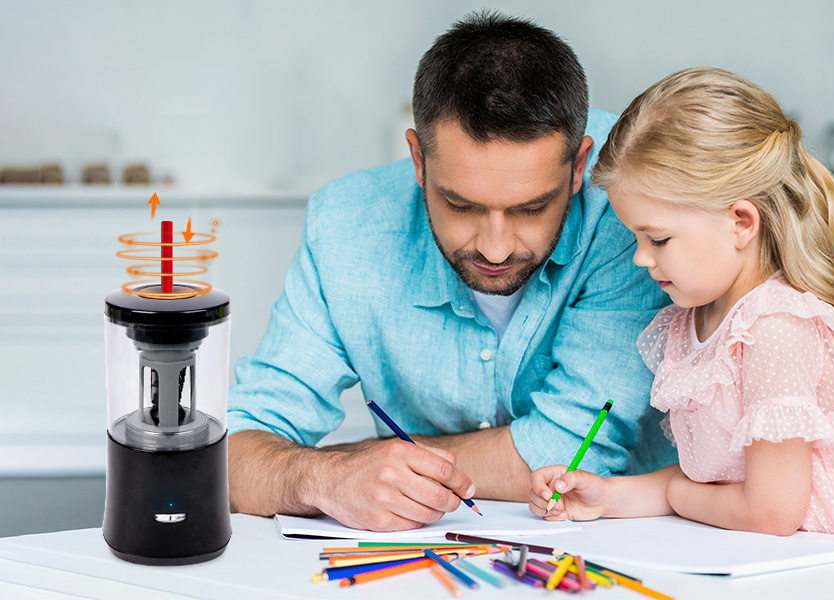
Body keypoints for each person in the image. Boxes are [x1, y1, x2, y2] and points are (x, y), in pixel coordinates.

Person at [227, 12, 676, 532]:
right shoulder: (345, 228)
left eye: (532, 209)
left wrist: (381, 459)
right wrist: (326, 476)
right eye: (460, 205)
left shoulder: (625, 207)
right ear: (418, 161)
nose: (495, 247)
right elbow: (238, 445)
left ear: (578, 167)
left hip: (627, 545)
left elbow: (573, 453)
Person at [529, 67, 834, 544]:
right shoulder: (691, 322)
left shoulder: (776, 327)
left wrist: (679, 494)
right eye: (635, 237)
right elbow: (714, 480)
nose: (640, 258)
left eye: (657, 238)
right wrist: (610, 496)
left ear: (741, 221)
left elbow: (770, 512)